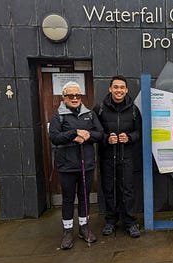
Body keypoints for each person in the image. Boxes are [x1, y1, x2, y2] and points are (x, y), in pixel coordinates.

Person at [49, 81, 103, 250]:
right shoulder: (59, 115)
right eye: (70, 96)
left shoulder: (90, 114)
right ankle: (67, 231)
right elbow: (54, 137)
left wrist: (87, 136)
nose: (74, 98)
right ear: (64, 97)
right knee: (67, 199)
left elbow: (100, 134)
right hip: (67, 165)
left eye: (77, 95)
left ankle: (84, 228)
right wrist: (74, 134)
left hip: (86, 164)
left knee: (84, 198)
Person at [95, 75, 142, 238]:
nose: (119, 90)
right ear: (110, 89)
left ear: (126, 90)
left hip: (127, 157)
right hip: (107, 157)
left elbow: (139, 132)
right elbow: (96, 132)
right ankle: (110, 222)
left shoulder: (134, 109)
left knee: (127, 190)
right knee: (109, 190)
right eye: (116, 87)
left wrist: (129, 138)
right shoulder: (100, 108)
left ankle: (130, 223)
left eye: (122, 87)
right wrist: (106, 138)